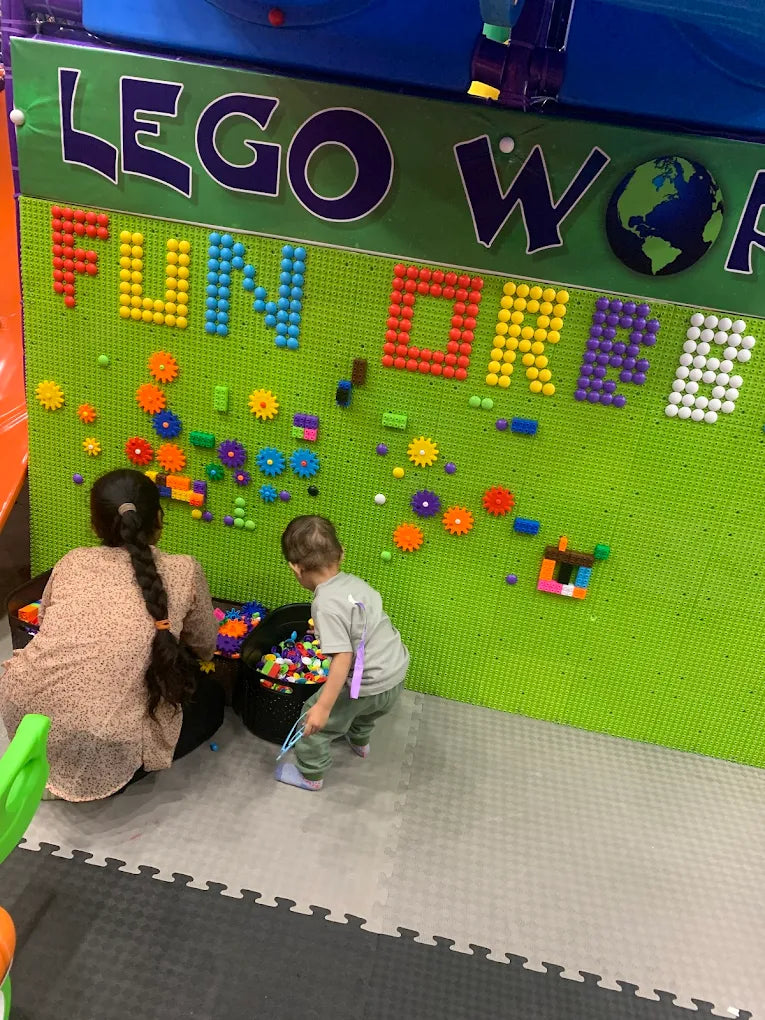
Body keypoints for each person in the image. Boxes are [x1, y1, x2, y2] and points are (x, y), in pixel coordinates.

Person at [0, 469, 223, 802]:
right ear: (159, 520)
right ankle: (88, 775)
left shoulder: (73, 560)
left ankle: (46, 767)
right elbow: (205, 645)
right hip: (103, 738)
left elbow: (46, 622)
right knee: (210, 701)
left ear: (94, 525)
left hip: (21, 704)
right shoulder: (185, 569)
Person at [275, 515, 409, 791]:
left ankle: (310, 775)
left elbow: (343, 657)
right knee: (365, 712)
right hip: (396, 672)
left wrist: (322, 708)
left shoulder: (324, 603)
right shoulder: (357, 585)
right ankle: (360, 743)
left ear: (295, 569)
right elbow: (364, 626)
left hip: (366, 683)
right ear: (342, 553)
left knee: (311, 721)